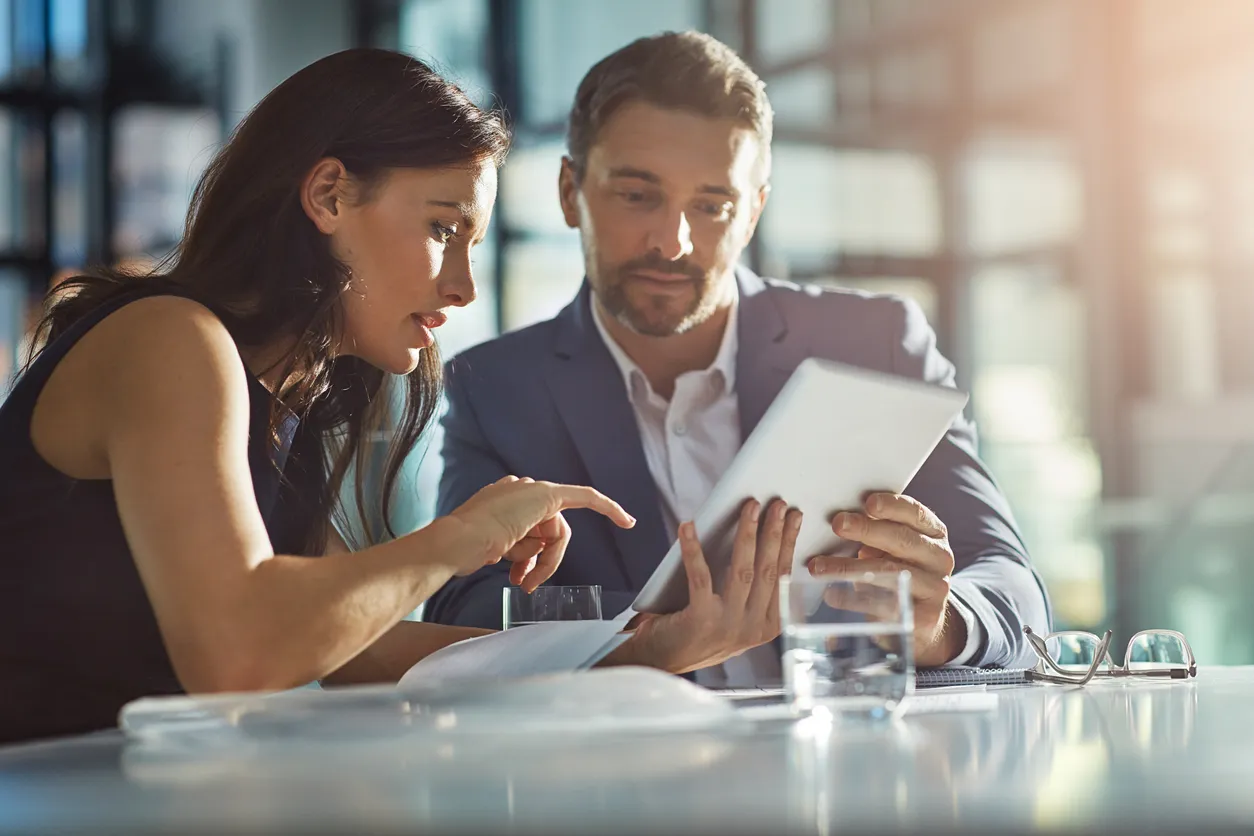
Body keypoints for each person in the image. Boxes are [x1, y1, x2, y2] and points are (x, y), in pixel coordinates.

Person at [0, 48, 795, 745]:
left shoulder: (283, 401)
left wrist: (644, 652)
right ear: (329, 196)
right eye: (444, 229)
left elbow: (366, 652)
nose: (464, 287)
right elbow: (237, 655)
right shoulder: (171, 340)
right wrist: (459, 538)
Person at [427, 31, 1052, 682]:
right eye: (638, 195)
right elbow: (458, 613)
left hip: (851, 739)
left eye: (712, 206)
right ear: (569, 191)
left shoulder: (879, 345)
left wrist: (941, 622)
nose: (672, 242)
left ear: (752, 213)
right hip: (632, 744)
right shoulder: (497, 388)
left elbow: (1016, 589)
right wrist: (641, 638)